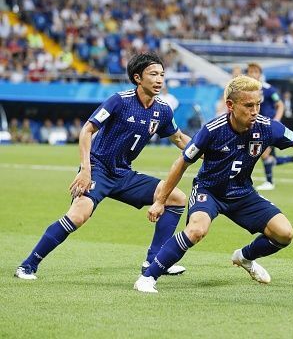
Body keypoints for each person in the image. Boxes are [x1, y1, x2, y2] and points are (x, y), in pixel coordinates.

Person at [133, 75, 293, 293]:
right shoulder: (211, 131)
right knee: (196, 230)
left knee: (284, 234)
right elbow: (181, 163)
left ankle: (245, 257)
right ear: (231, 105)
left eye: (257, 104)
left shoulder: (267, 127)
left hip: (242, 192)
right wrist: (160, 201)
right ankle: (148, 277)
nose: (255, 111)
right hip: (210, 191)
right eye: (249, 106)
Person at [15, 52, 192, 280]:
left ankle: (154, 261)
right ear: (138, 78)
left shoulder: (163, 110)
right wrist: (85, 169)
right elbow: (87, 130)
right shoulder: (120, 100)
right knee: (78, 216)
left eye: (162, 75)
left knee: (176, 198)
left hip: (123, 174)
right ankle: (28, 265)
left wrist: (207, 151)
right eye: (153, 74)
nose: (159, 80)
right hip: (98, 169)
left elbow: (179, 139)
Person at [246, 62, 293, 191]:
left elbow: (280, 105)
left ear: (260, 74)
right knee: (268, 157)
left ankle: (269, 182)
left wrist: (276, 121)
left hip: (267, 126)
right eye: (250, 72)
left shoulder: (268, 89)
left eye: (255, 72)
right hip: (255, 126)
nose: (252, 74)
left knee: (263, 154)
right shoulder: (246, 90)